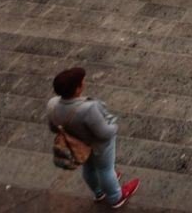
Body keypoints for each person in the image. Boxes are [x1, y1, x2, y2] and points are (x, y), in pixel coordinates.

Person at [46, 66, 140, 208]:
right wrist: (114, 127)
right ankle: (116, 197)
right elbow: (104, 133)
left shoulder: (52, 104)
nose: (85, 83)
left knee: (89, 169)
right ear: (77, 89)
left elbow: (53, 128)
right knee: (105, 170)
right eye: (82, 82)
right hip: (98, 146)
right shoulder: (88, 108)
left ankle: (98, 192)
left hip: (78, 146)